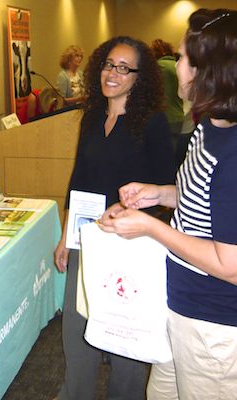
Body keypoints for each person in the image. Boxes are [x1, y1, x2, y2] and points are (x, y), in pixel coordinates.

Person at [98, 9, 237, 400]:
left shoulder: (234, 154)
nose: (175, 65)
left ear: (208, 69)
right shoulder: (208, 126)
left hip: (213, 328)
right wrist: (157, 194)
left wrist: (151, 227)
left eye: (181, 57)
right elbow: (199, 198)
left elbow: (231, 266)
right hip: (179, 307)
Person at [54, 36, 176, 400]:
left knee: (126, 337)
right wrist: (65, 236)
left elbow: (168, 188)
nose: (113, 73)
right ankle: (75, 393)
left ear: (140, 77)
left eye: (124, 68)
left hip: (131, 244)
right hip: (87, 237)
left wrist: (131, 210)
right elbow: (79, 179)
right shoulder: (92, 116)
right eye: (109, 64)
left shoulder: (152, 123)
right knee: (76, 330)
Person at [151, 38, 195, 167]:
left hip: (164, 118)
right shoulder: (177, 66)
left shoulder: (157, 69)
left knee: (163, 159)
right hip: (179, 116)